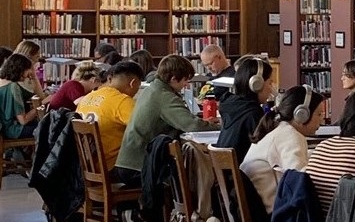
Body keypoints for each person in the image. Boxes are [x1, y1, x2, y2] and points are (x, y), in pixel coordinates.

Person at [115, 54, 205, 184]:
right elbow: (193, 126)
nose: (186, 85)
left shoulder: (151, 89)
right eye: (185, 80)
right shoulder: (164, 96)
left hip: (127, 163)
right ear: (174, 79)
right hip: (140, 167)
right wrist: (221, 127)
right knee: (192, 176)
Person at [242, 86, 328, 213]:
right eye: (319, 114)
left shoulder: (279, 129)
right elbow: (299, 179)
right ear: (301, 115)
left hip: (258, 210)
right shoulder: (290, 135)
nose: (322, 119)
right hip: (274, 216)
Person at [74, 57, 144, 172]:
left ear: (109, 78)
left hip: (87, 167)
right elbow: (143, 129)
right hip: (112, 167)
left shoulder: (87, 97)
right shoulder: (122, 101)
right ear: (133, 83)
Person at [216, 54, 274, 160]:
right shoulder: (253, 113)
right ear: (257, 84)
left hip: (230, 174)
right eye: (270, 83)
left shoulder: (231, 105)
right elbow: (269, 150)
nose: (271, 89)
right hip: (245, 174)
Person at [0, 53, 41, 141]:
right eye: (27, 69)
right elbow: (23, 120)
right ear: (20, 69)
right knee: (50, 128)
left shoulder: (2, 83)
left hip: (3, 129)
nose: (29, 73)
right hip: (14, 130)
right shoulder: (13, 87)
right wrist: (42, 104)